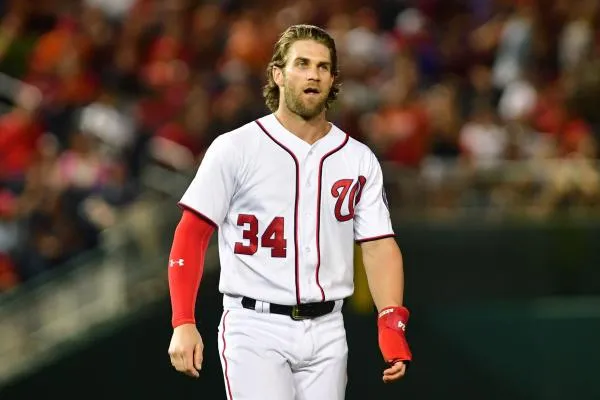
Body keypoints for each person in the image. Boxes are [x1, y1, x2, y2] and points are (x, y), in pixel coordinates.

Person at [167, 24, 412, 400]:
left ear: (332, 80)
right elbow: (192, 233)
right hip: (254, 325)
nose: (313, 73)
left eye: (323, 66)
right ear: (278, 75)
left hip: (329, 327)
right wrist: (183, 320)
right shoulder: (236, 148)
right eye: (302, 63)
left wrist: (390, 321)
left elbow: (378, 245)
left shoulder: (357, 158)